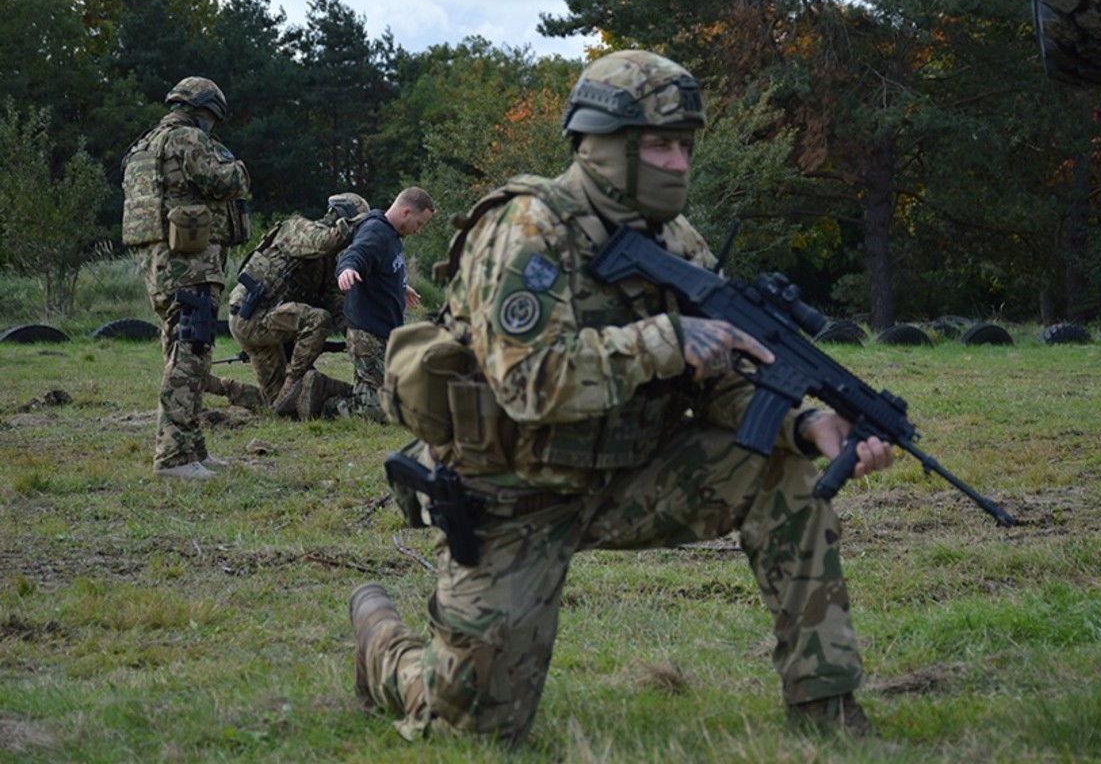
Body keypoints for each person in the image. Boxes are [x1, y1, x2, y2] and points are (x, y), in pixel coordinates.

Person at [352, 50, 894, 745]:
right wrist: (665, 339)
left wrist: (807, 423)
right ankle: (379, 643)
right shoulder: (526, 231)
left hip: (628, 474)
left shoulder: (679, 242)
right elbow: (527, 385)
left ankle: (828, 709)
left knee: (777, 470)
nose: (679, 162)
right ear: (600, 143)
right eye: (659, 144)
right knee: (468, 730)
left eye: (685, 145)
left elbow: (726, 377)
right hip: (513, 493)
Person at [121, 76, 251, 480]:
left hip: (161, 262)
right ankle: (174, 458)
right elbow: (223, 180)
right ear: (207, 110)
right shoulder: (187, 139)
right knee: (190, 353)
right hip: (188, 264)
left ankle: (193, 447)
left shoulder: (143, 145)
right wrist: (240, 168)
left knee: (184, 349)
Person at [226, 193, 370, 419]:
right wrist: (367, 223)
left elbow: (339, 308)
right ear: (342, 217)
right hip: (252, 317)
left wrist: (360, 345)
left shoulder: (327, 265)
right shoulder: (297, 228)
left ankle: (218, 385)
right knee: (318, 319)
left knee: (279, 408)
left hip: (272, 322)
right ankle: (293, 383)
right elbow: (323, 243)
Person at [322, 187, 434, 421]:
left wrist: (401, 287)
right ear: (405, 212)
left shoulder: (392, 235)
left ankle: (357, 393)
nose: (419, 230)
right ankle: (321, 399)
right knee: (375, 412)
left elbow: (384, 267)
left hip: (385, 331)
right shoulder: (375, 232)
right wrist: (348, 269)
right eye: (419, 223)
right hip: (367, 332)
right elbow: (356, 255)